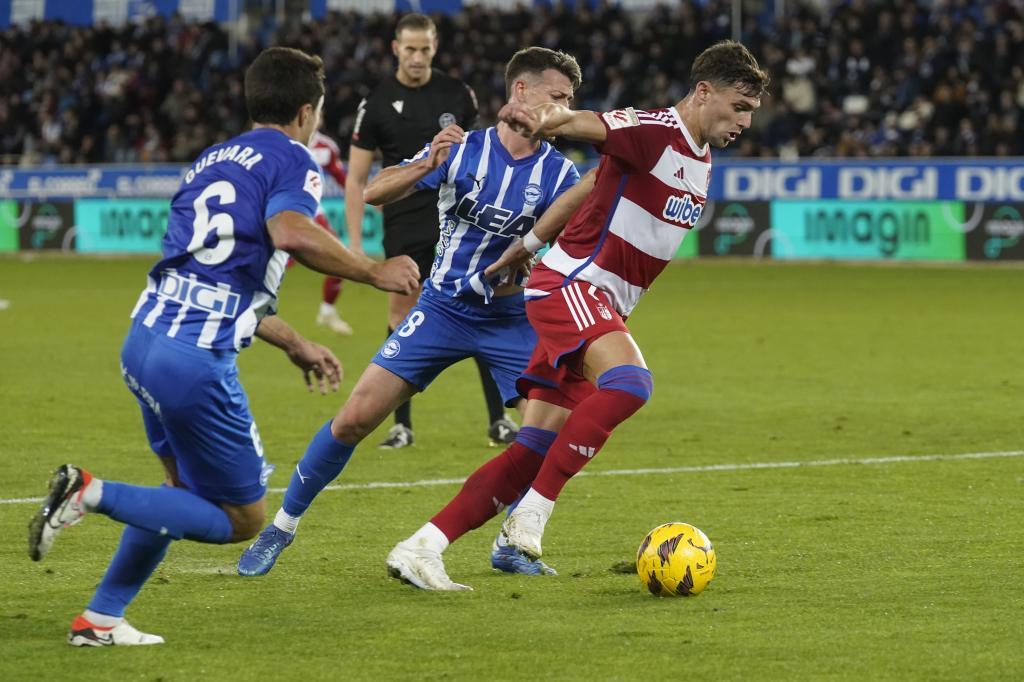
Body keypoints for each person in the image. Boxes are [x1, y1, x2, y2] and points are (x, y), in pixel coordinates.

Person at [26, 47, 420, 646]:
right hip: (193, 361)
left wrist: (293, 340)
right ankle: (89, 492)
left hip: (144, 341)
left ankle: (101, 619)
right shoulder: (294, 157)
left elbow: (207, 273)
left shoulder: (210, 161)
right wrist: (372, 270)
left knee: (180, 492)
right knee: (243, 519)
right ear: (307, 110)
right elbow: (292, 232)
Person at [385, 40, 770, 590]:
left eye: (751, 113)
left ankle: (422, 547)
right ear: (703, 92)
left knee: (530, 449)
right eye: (738, 106)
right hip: (571, 287)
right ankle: (531, 516)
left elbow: (592, 188)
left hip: (594, 299)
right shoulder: (654, 129)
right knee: (631, 383)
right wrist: (547, 118)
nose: (744, 122)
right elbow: (585, 124)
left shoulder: (700, 157)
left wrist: (530, 241)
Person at [237, 47, 584, 585]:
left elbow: (570, 249)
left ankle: (512, 541)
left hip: (512, 320)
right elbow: (374, 191)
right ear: (522, 92)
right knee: (354, 418)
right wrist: (427, 163)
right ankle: (280, 526)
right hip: (443, 307)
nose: (567, 108)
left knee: (549, 431)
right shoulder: (463, 148)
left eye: (570, 100)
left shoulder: (563, 174)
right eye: (558, 97)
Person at [345, 13, 516, 449]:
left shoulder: (457, 93)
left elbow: (488, 152)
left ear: (434, 47)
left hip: (461, 216)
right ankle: (400, 424)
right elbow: (356, 178)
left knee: (479, 306)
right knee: (402, 316)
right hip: (404, 219)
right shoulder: (378, 100)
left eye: (425, 48)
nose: (418, 57)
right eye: (410, 49)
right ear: (396, 49)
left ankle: (499, 420)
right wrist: (354, 242)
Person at [309, 128, 354, 336]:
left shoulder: (325, 147)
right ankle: (251, 316)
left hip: (311, 211)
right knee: (272, 263)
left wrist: (362, 197)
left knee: (339, 261)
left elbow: (341, 177)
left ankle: (327, 311)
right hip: (278, 211)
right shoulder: (279, 140)